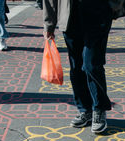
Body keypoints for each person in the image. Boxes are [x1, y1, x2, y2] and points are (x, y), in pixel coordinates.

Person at [43, 0, 113, 133]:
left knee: (91, 64)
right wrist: (49, 24)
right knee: (76, 67)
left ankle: (99, 108)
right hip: (70, 17)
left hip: (97, 14)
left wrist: (113, 6)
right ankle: (85, 109)